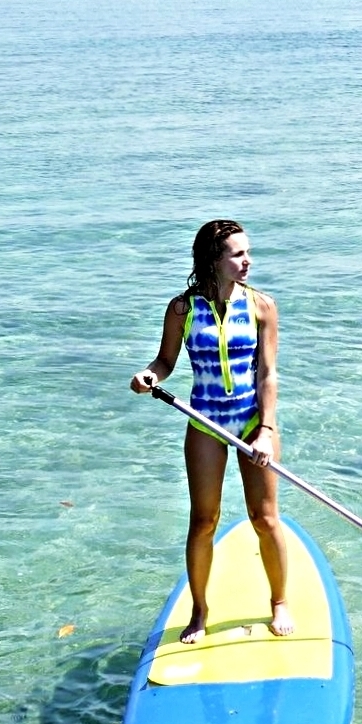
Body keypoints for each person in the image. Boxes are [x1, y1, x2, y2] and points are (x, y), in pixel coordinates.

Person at [131, 219, 290, 643]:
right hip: (204, 422)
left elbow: (269, 374)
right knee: (204, 521)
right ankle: (200, 611)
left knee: (265, 517)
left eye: (247, 252)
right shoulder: (182, 309)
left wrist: (266, 430)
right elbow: (165, 361)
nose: (247, 261)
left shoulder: (261, 306)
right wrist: (149, 375)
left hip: (253, 422)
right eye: (237, 254)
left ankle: (279, 602)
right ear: (213, 260)